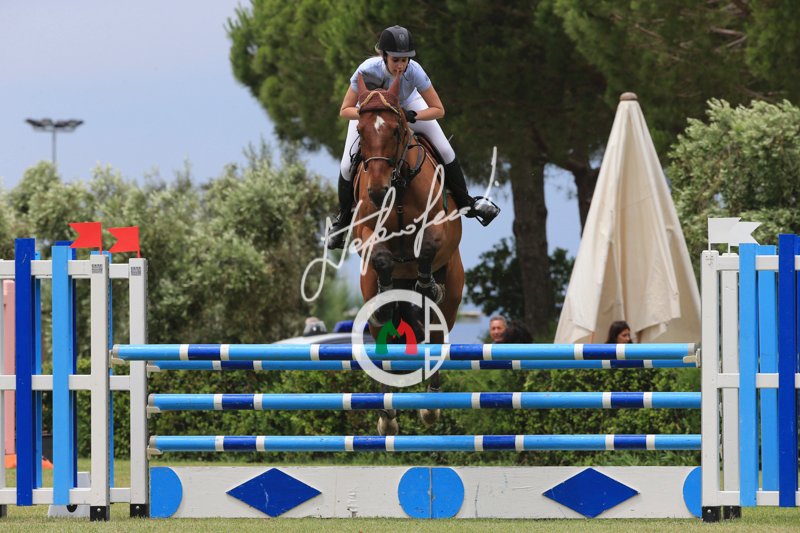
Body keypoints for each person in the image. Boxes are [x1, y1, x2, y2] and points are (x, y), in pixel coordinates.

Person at [327, 25, 500, 249]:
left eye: (405, 60)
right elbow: (345, 110)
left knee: (445, 150)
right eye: (395, 60)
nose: (400, 65)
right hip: (369, 115)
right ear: (384, 56)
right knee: (346, 165)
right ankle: (342, 221)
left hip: (407, 107)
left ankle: (467, 202)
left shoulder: (415, 71)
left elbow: (438, 109)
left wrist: (412, 115)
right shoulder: (366, 70)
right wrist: (371, 116)